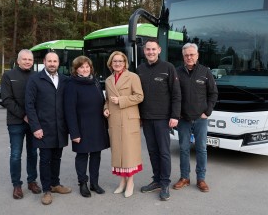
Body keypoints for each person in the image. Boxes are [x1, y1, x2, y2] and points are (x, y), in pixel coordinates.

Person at [136, 38, 181, 201]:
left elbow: (176, 94)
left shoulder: (168, 68)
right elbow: (137, 95)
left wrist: (175, 115)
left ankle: (165, 183)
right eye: (148, 49)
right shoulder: (139, 69)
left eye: (153, 49)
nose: (150, 52)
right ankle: (156, 180)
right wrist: (138, 116)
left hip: (163, 119)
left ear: (159, 50)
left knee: (164, 152)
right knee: (153, 151)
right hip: (146, 118)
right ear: (144, 51)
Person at [25, 52, 71, 205]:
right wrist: (35, 127)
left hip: (60, 127)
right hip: (43, 128)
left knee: (57, 158)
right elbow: (29, 105)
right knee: (45, 160)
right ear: (44, 62)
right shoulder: (35, 79)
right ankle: (46, 190)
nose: (52, 64)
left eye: (55, 61)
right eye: (49, 61)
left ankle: (55, 184)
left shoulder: (65, 79)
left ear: (59, 63)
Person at [173, 43, 218, 193]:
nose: (189, 57)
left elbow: (213, 93)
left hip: (201, 118)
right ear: (183, 56)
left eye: (192, 54)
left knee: (201, 149)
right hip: (183, 119)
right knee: (184, 149)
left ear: (197, 55)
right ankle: (184, 177)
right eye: (186, 55)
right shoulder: (177, 72)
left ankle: (201, 179)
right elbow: (173, 95)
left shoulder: (205, 72)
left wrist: (208, 112)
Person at [64, 56, 110, 198]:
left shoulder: (94, 81)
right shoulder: (72, 84)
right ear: (76, 69)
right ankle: (83, 183)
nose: (85, 69)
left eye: (87, 67)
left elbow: (101, 101)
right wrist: (74, 133)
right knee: (82, 155)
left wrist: (105, 110)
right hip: (81, 127)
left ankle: (94, 183)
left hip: (97, 125)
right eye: (81, 67)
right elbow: (69, 110)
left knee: (96, 155)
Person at [1, 49, 42, 199]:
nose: (27, 62)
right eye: (24, 59)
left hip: (33, 123)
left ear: (33, 61)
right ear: (17, 61)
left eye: (30, 59)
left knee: (32, 153)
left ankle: (32, 181)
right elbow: (7, 100)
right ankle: (17, 185)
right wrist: (24, 115)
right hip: (15, 122)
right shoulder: (8, 76)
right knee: (16, 155)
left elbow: (40, 99)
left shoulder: (37, 76)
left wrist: (33, 118)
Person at [103, 51, 144, 198]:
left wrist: (121, 100)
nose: (118, 63)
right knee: (118, 152)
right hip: (114, 120)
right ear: (110, 63)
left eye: (120, 61)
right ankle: (122, 181)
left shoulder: (133, 77)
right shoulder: (108, 80)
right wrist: (106, 109)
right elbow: (107, 99)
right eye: (115, 61)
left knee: (129, 152)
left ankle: (130, 182)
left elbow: (140, 96)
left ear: (125, 63)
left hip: (129, 120)